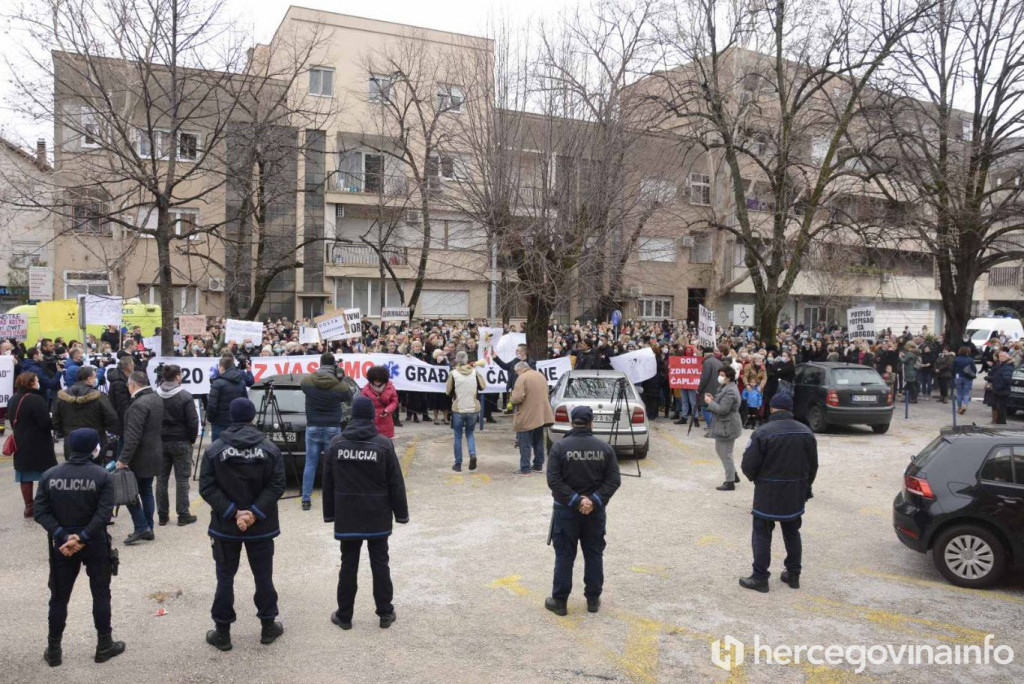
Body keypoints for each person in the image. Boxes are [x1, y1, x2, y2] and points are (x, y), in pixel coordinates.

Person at [33, 428, 125, 667]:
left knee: (59, 597)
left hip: (62, 546)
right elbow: (104, 513)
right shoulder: (102, 476)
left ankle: (54, 650)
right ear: (95, 448)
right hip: (94, 542)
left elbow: (41, 511)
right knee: (101, 594)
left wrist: (64, 536)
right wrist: (82, 537)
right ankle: (104, 645)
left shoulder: (49, 475)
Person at [199, 398, 286, 651]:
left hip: (226, 527)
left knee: (225, 578)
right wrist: (254, 514)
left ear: (230, 417)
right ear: (252, 417)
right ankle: (268, 627)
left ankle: (223, 633)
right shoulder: (269, 448)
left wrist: (232, 513)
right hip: (261, 526)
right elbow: (277, 484)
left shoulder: (215, 449)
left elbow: (206, 486)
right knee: (263, 576)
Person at [324, 396, 409, 630]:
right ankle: (385, 613)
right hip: (377, 515)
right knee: (380, 563)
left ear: (352, 415)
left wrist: (330, 513)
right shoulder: (383, 444)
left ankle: (344, 615)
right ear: (372, 415)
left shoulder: (336, 444)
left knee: (348, 563)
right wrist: (401, 514)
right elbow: (395, 482)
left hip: (347, 514)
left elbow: (328, 482)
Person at [543, 407, 621, 616]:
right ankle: (593, 600)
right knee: (594, 554)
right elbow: (613, 480)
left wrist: (576, 501)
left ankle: (559, 601)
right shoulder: (605, 449)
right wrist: (593, 501)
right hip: (594, 512)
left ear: (571, 422)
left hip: (566, 511)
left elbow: (554, 480)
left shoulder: (559, 447)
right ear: (591, 423)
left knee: (565, 555)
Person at [738, 393, 818, 592]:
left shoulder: (762, 432)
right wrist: (805, 487)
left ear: (772, 408)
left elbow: (748, 465)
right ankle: (793, 575)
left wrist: (759, 480)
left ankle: (760, 577)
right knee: (792, 532)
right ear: (790, 410)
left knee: (762, 534)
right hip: (795, 492)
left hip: (768, 492)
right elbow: (813, 466)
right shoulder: (806, 432)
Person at [300, 353, 353, 511]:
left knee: (310, 463)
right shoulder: (339, 384)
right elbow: (348, 395)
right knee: (333, 463)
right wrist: (340, 377)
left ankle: (306, 499)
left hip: (313, 426)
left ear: (320, 363)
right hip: (332, 426)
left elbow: (303, 386)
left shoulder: (308, 380)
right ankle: (335, 496)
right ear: (334, 365)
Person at [117, 372, 163, 545]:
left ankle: (141, 526)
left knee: (128, 493)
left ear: (132, 385)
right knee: (146, 490)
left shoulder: (138, 404)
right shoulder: (156, 398)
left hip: (139, 456)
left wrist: (123, 459)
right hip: (154, 452)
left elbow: (133, 436)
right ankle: (148, 527)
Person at [155, 364, 199, 526]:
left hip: (161, 441)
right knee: (182, 479)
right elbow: (193, 421)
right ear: (178, 376)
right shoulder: (185, 396)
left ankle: (162, 515)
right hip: (181, 440)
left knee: (161, 479)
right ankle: (183, 514)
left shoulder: (155, 395)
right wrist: (192, 438)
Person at [9, 372, 58, 518]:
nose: (38, 382)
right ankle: (45, 504)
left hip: (20, 441)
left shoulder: (13, 399)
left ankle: (29, 506)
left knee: (25, 475)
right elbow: (45, 423)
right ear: (31, 383)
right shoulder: (36, 399)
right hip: (38, 442)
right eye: (36, 380)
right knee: (47, 474)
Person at [51, 367, 118, 459]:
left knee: (72, 470)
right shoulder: (99, 396)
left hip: (71, 439)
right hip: (95, 440)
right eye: (94, 377)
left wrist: (65, 431)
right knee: (96, 470)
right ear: (89, 379)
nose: (95, 380)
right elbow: (111, 417)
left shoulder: (62, 397)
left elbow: (55, 421)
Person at [510, 361, 556, 476]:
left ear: (520, 369)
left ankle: (525, 469)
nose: (516, 374)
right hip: (541, 415)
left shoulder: (522, 378)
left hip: (527, 415)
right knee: (538, 441)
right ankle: (538, 465)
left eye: (516, 372)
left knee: (524, 443)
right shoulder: (540, 375)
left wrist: (511, 397)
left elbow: (517, 398)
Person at [705, 364, 744, 491]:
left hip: (727, 426)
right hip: (723, 425)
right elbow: (720, 402)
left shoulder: (731, 390)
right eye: (719, 375)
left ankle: (730, 481)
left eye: (722, 375)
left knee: (725, 453)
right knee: (720, 450)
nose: (719, 377)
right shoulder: (726, 386)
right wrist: (713, 399)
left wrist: (710, 403)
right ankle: (733, 474)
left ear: (729, 377)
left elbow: (723, 409)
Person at [446, 351, 485, 472]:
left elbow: (448, 391)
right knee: (470, 433)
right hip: (473, 408)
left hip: (458, 408)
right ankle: (472, 454)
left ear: (457, 360)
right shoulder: (475, 372)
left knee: (458, 436)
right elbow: (483, 386)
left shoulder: (453, 373)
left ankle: (458, 464)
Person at [207, 356, 249, 441]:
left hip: (220, 424)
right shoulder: (241, 382)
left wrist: (211, 419)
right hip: (237, 423)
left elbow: (212, 405)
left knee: (218, 450)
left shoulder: (217, 383)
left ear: (222, 368)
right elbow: (245, 403)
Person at [105, 356, 134, 454]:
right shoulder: (120, 382)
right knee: (122, 444)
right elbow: (122, 405)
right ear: (129, 366)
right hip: (121, 419)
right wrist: (128, 419)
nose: (134, 366)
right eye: (132, 364)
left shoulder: (120, 378)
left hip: (120, 418)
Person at [361, 365, 399, 439]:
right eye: (375, 380)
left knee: (386, 445)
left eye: (379, 380)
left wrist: (387, 410)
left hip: (386, 421)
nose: (377, 382)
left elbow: (394, 401)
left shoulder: (390, 387)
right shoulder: (366, 389)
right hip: (371, 421)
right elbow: (363, 404)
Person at [696, 348, 723, 432]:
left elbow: (704, 377)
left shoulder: (707, 362)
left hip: (708, 388)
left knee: (705, 408)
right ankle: (712, 426)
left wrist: (699, 389)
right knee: (713, 408)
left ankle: (711, 427)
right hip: (717, 388)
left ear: (705, 354)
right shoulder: (718, 361)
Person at [985, 350, 1014, 425]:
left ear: (1006, 357)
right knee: (996, 406)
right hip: (997, 389)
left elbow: (1006, 379)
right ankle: (997, 422)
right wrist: (990, 379)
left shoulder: (1007, 366)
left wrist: (998, 386)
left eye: (1002, 356)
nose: (1000, 358)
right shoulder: (1000, 365)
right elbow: (996, 375)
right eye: (999, 356)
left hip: (1002, 390)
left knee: (1001, 408)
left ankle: (1001, 423)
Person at [952, 346, 977, 415]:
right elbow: (974, 369)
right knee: (966, 393)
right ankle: (965, 405)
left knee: (959, 393)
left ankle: (959, 408)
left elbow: (952, 369)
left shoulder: (956, 359)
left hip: (958, 377)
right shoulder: (970, 360)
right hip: (967, 377)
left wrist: (954, 375)